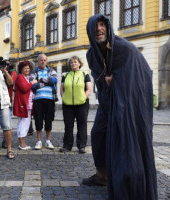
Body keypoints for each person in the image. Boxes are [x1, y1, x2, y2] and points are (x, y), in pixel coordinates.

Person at [83, 14, 157, 200]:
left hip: (127, 104)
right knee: (98, 135)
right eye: (95, 26)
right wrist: (106, 84)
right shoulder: (92, 54)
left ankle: (129, 180)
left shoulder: (125, 48)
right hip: (107, 103)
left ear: (108, 28)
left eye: (103, 25)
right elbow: (99, 77)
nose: (99, 29)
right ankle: (103, 175)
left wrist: (119, 80)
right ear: (90, 32)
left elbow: (142, 74)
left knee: (125, 140)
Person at [59, 56, 91, 154]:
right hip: (67, 104)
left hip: (82, 104)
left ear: (79, 63)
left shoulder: (84, 74)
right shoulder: (65, 75)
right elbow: (61, 88)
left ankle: (81, 146)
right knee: (68, 126)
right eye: (71, 62)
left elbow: (88, 88)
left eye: (75, 62)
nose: (73, 64)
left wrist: (83, 98)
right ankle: (67, 146)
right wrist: (63, 98)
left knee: (82, 125)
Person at [30, 54, 57, 150]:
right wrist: (46, 82)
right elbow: (32, 85)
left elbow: (54, 80)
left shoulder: (51, 70)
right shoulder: (34, 71)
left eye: (44, 60)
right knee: (38, 120)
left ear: (46, 61)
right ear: (38, 61)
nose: (43, 61)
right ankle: (39, 141)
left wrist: (40, 80)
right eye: (41, 60)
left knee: (49, 120)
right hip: (38, 99)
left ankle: (48, 141)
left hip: (50, 99)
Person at [13, 61, 37, 150]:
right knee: (23, 124)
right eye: (25, 68)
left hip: (28, 104)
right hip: (23, 104)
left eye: (28, 68)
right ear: (21, 69)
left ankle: (23, 143)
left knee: (26, 123)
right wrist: (32, 83)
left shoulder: (26, 77)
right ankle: (22, 144)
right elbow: (24, 88)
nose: (27, 70)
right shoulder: (20, 77)